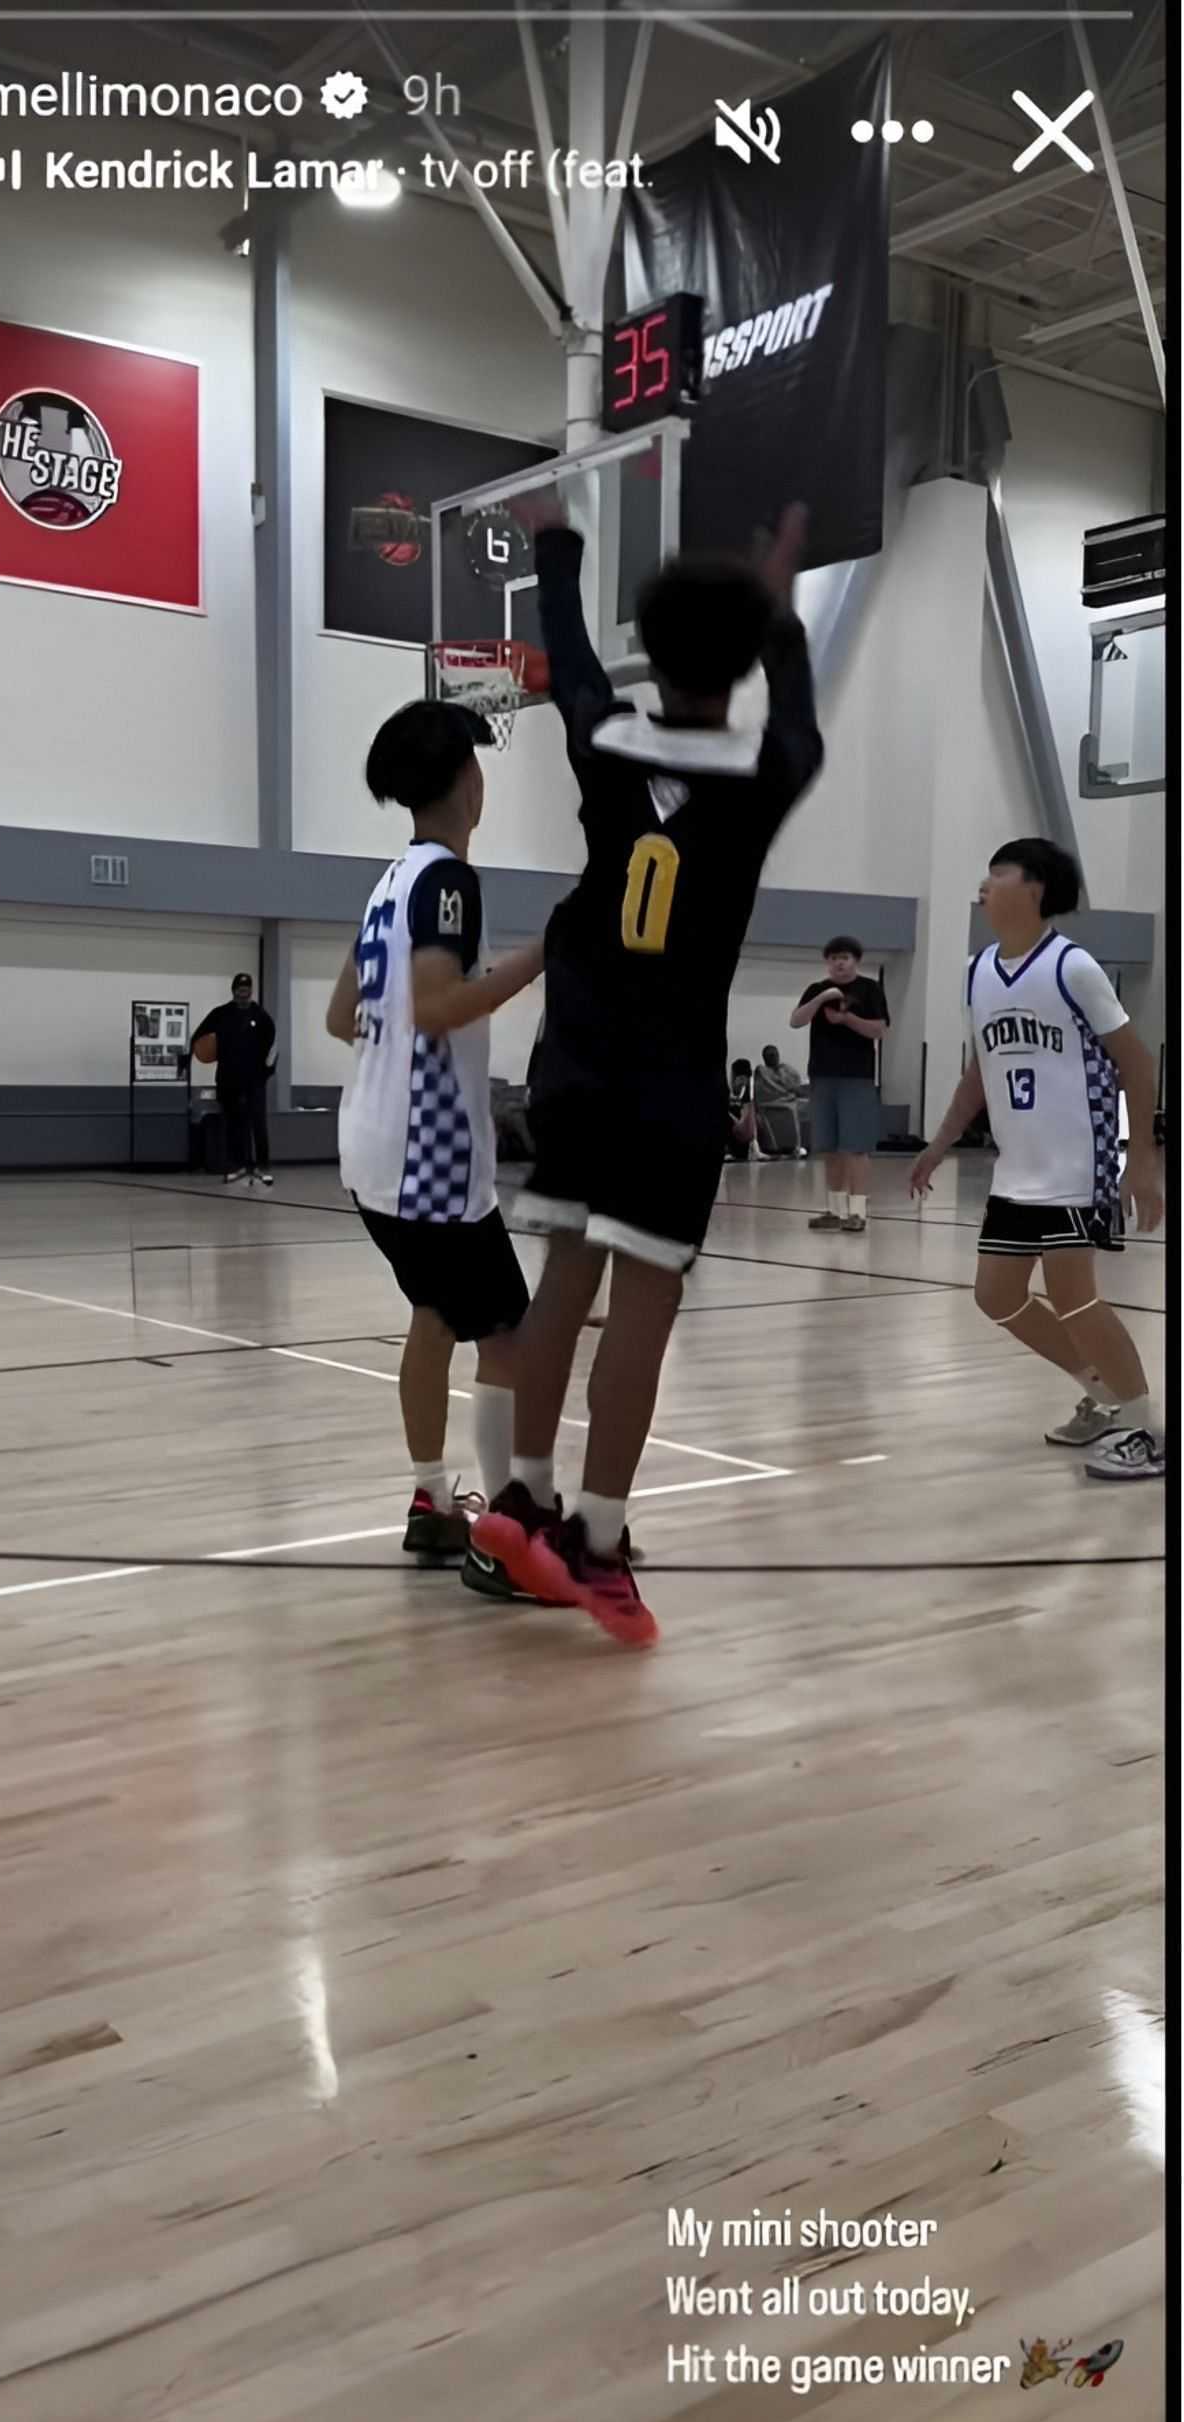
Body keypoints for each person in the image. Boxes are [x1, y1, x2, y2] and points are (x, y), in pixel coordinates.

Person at [472, 500, 822, 1646]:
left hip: (575, 1059)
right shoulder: (770, 766)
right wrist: (779, 608)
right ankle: (598, 1537)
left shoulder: (605, 740)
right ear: (745, 659)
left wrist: (556, 548)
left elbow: (572, 661)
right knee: (645, 1308)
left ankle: (522, 1496)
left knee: (562, 1283)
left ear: (654, 656)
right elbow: (797, 708)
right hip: (671, 1079)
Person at [327, 699, 545, 1573]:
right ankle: (510, 1534)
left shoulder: (389, 883)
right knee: (509, 1338)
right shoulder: (450, 882)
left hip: (369, 1150)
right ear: (466, 779)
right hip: (431, 1160)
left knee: (436, 1314)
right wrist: (541, 956)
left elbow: (342, 1015)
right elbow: (439, 1006)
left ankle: (434, 1499)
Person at [910, 838, 1165, 1481]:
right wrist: (937, 1145)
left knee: (1074, 1298)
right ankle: (1104, 1396)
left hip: (1077, 1161)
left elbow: (1137, 1063)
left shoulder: (1073, 967)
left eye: (998, 873)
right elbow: (978, 1073)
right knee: (996, 1296)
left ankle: (1152, 1431)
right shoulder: (976, 972)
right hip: (1018, 1169)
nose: (983, 885)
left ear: (1036, 888)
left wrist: (1141, 1161)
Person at [791, 936, 889, 1230]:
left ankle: (857, 1212)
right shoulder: (817, 989)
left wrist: (846, 1020)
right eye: (833, 958)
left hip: (856, 1077)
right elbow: (796, 1020)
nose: (839, 963)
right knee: (829, 1148)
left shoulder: (870, 989)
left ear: (856, 960)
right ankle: (835, 1210)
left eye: (844, 958)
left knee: (856, 1147)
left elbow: (879, 1029)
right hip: (822, 1076)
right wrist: (821, 999)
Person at [193, 973, 276, 1184]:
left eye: (246, 989)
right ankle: (237, 1165)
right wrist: (188, 1056)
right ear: (234, 991)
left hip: (254, 1080)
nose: (243, 993)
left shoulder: (261, 1016)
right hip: (228, 1079)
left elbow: (272, 1047)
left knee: (258, 1123)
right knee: (233, 1124)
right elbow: (199, 1035)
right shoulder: (221, 1014)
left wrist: (266, 1072)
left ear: (251, 991)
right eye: (240, 989)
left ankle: (262, 1166)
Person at [754, 1043, 808, 1156]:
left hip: (779, 1103)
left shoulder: (785, 1069)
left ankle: (793, 1146)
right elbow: (760, 1092)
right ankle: (792, 1147)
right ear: (764, 1058)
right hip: (776, 1104)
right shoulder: (761, 1072)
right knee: (799, 1108)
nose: (773, 1058)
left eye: (774, 1055)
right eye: (770, 1055)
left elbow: (795, 1086)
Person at [727, 1058, 758, 1162]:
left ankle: (732, 1151)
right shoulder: (752, 1082)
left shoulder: (743, 1082)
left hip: (744, 1125)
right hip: (750, 1122)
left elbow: (740, 1100)